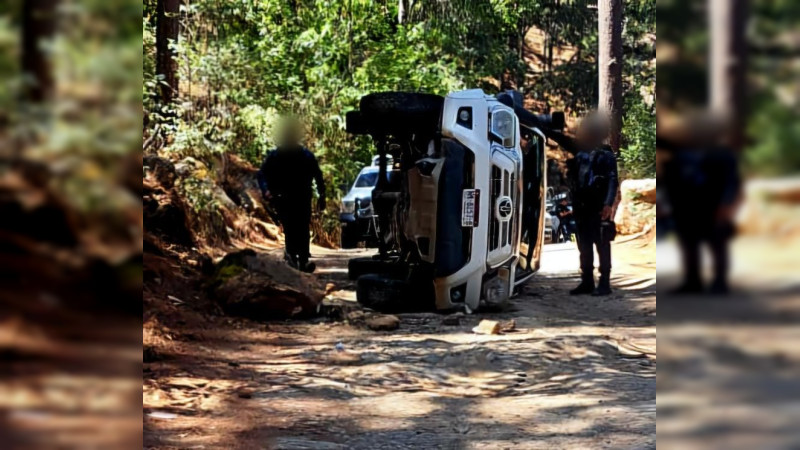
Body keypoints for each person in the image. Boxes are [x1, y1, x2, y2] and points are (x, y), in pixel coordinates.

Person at [658, 111, 741, 295]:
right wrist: (666, 202)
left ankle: (720, 282)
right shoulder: (680, 152)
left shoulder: (721, 153)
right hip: (686, 206)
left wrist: (726, 205)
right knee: (688, 244)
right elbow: (670, 178)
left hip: (714, 205)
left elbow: (731, 181)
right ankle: (692, 281)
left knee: (717, 243)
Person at [545, 112, 619, 296]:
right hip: (581, 206)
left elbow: (612, 180)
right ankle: (587, 281)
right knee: (584, 245)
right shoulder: (579, 151)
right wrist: (544, 126)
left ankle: (604, 283)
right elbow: (561, 139)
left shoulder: (606, 155)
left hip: (598, 207)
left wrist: (608, 204)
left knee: (602, 244)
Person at [257, 117, 326, 273]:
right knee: (290, 227)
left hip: (301, 197)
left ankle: (302, 259)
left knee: (301, 227)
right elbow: (262, 174)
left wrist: (322, 196)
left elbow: (318, 175)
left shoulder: (305, 155)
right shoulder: (276, 156)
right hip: (284, 198)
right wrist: (266, 190)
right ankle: (294, 257)